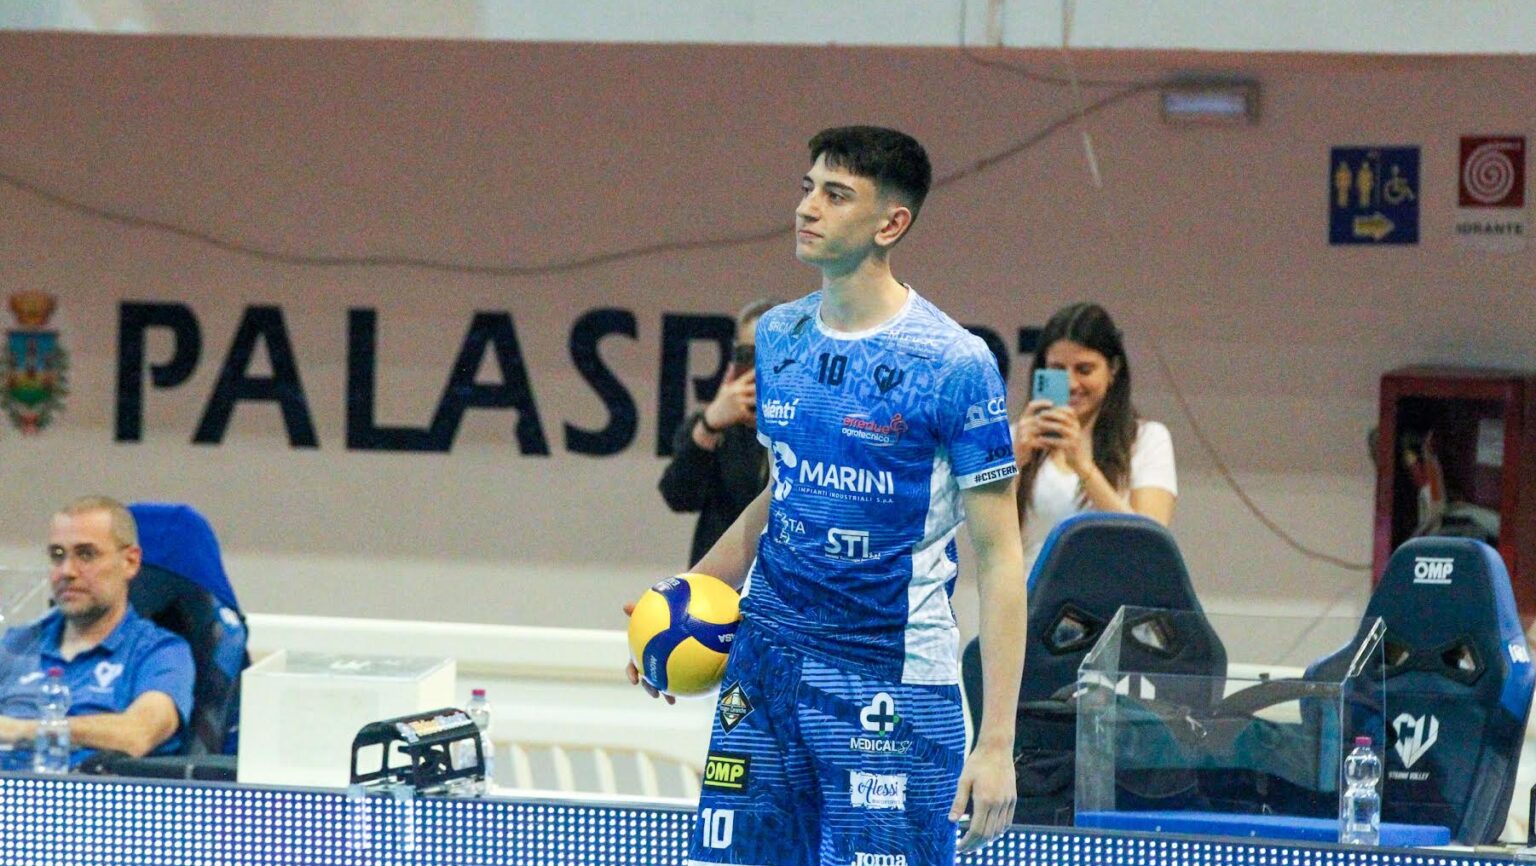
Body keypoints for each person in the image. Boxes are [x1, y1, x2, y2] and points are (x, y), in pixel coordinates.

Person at [627, 126, 1026, 864]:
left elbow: (1001, 558)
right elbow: (784, 495)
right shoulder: (778, 338)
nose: (807, 207)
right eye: (807, 187)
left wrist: (998, 742)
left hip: (889, 683)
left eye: (836, 195)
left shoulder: (956, 364)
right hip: (765, 667)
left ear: (890, 224)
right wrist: (682, 603)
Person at [0, 496, 194, 768]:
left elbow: (137, 734)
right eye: (57, 555)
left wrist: (21, 731)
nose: (67, 571)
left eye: (86, 555)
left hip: (90, 791)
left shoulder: (161, 653)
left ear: (130, 561)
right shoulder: (15, 644)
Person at [1012, 303, 1177, 574]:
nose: (1071, 384)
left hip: (1116, 596)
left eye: (1084, 370)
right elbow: (987, 534)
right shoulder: (1016, 438)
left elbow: (1151, 546)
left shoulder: (1147, 439)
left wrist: (1085, 469)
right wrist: (1014, 462)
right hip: (1034, 595)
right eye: (1057, 369)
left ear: (1113, 369)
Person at [659, 298, 779, 566]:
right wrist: (710, 425)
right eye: (749, 354)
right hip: (721, 581)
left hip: (781, 581)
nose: (760, 366)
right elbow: (678, 497)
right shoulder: (715, 426)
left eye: (771, 354)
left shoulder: (811, 430)